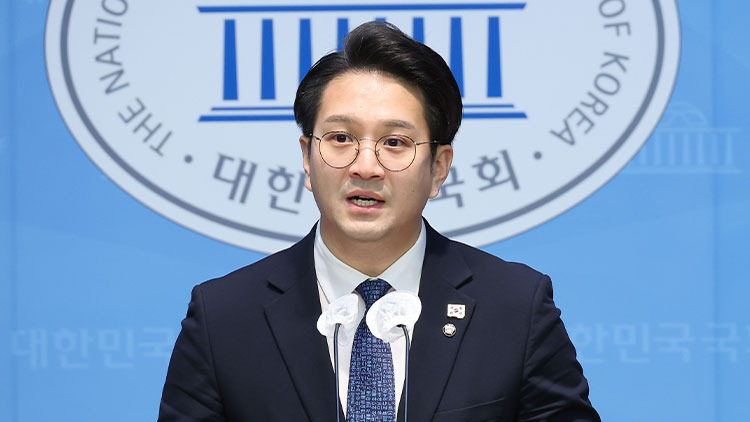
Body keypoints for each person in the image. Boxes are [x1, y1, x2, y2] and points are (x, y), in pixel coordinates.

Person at [159, 21, 600, 422]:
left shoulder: (515, 307)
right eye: (340, 138)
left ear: (439, 168)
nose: (365, 166)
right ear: (307, 159)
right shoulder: (223, 317)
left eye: (394, 142)